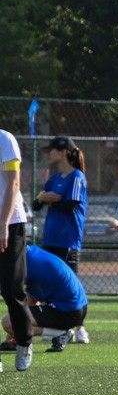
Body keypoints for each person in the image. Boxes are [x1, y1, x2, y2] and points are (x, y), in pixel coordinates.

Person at [33, 136, 89, 344]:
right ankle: (57, 329)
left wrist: (50, 201)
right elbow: (36, 204)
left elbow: (70, 205)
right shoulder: (53, 179)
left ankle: (80, 327)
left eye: (52, 150)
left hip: (68, 240)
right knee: (47, 281)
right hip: (50, 239)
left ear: (63, 152)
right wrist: (41, 199)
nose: (49, 154)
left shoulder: (76, 177)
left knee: (70, 283)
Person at [1, 246, 87, 355]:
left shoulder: (22, 263)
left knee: (8, 322)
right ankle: (17, 340)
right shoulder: (30, 253)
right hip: (76, 308)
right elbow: (31, 299)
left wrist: (16, 329)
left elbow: (18, 301)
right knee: (17, 318)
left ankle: (60, 333)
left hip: (68, 312)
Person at [0, 126, 32, 372]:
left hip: (11, 223)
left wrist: (2, 224)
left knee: (12, 289)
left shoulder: (5, 139)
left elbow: (13, 183)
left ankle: (24, 341)